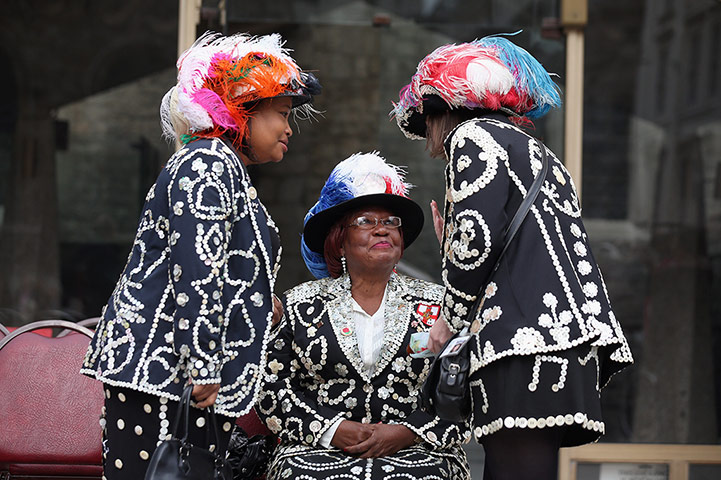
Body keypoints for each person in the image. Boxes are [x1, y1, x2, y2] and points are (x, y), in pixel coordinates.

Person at [392, 36, 634, 480]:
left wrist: (449, 320)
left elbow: (475, 244)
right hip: (563, 342)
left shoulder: (471, 136)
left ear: (445, 106)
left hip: (522, 343)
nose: (428, 133)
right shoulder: (541, 153)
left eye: (427, 117)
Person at [80, 31, 320, 478]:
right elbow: (199, 272)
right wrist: (205, 366)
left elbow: (223, 270)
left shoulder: (223, 168)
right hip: (169, 377)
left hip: (182, 378)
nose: (289, 128)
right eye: (282, 114)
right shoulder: (207, 163)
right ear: (243, 111)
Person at [255, 152, 471, 479]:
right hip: (316, 452)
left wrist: (409, 431)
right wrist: (331, 429)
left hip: (419, 452)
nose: (381, 230)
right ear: (340, 241)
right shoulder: (299, 307)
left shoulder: (440, 305)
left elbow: (464, 391)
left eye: (390, 222)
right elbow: (270, 389)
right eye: (366, 222)